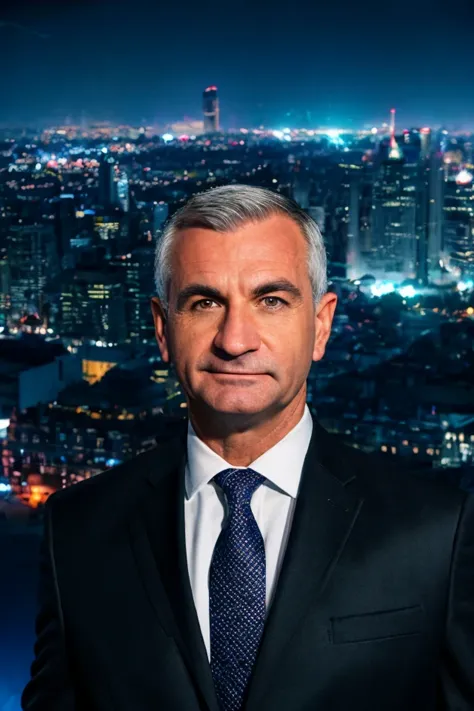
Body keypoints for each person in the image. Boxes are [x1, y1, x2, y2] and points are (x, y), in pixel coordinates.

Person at [22, 184, 474, 711]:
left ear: (321, 325)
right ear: (163, 328)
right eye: (205, 302)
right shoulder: (77, 531)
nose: (235, 340)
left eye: (272, 301)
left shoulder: (436, 532)